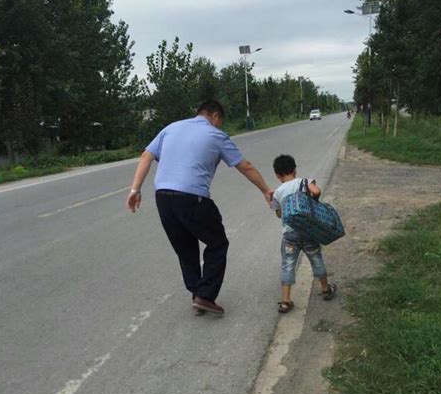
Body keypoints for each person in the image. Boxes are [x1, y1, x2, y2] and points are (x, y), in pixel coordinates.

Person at [126, 100, 273, 316]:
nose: (220, 126)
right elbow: (245, 166)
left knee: (185, 248)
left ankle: (197, 294)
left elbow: (146, 156)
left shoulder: (171, 128)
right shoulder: (216, 135)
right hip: (192, 197)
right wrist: (265, 190)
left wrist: (135, 190)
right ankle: (205, 296)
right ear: (214, 116)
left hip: (163, 197)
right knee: (218, 242)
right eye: (220, 122)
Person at [271, 154, 337, 313]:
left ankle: (286, 301)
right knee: (316, 259)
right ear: (294, 170)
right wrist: (312, 200)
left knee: (287, 265)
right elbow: (317, 191)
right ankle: (326, 288)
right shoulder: (304, 182)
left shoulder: (278, 192)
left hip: (289, 236)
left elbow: (279, 214)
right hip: (308, 232)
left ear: (278, 175)